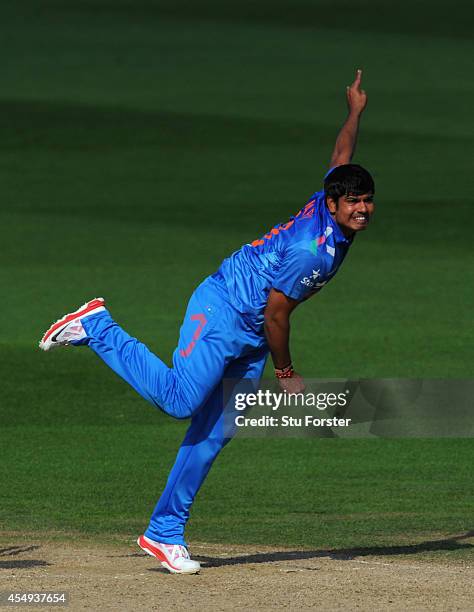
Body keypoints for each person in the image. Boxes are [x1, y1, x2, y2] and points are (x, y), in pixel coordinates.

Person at [39, 69, 375, 574]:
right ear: (333, 204)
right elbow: (278, 315)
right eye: (354, 202)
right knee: (179, 400)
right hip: (223, 308)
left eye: (368, 201)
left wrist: (353, 112)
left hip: (250, 328)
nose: (363, 210)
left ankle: (163, 532)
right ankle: (98, 326)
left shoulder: (330, 201)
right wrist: (285, 373)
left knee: (216, 429)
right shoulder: (313, 253)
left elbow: (340, 159)